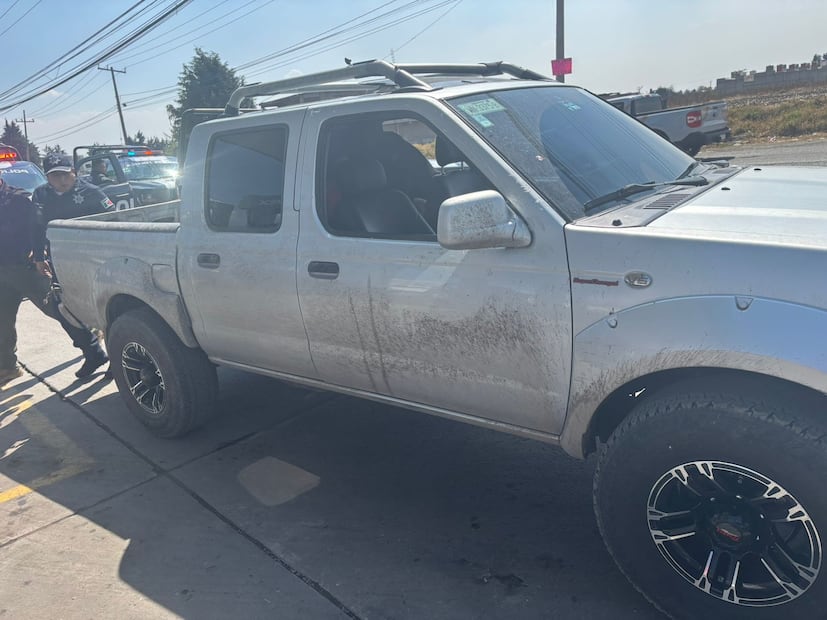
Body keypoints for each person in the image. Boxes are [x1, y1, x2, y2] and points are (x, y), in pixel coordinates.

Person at [26, 154, 113, 379]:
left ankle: (117, 358)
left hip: (93, 259)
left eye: (66, 174)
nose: (62, 180)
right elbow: (37, 227)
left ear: (74, 172)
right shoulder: (41, 194)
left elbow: (114, 220)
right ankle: (92, 352)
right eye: (55, 176)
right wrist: (38, 256)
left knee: (104, 309)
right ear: (48, 177)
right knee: (62, 308)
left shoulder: (91, 192)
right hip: (59, 260)